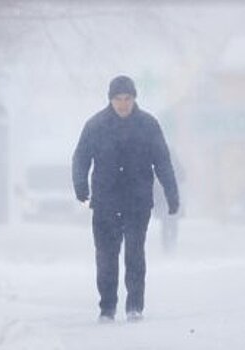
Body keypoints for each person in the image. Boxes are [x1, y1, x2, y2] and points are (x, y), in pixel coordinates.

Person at [72, 75, 179, 323]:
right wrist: (81, 188)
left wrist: (172, 193)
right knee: (106, 256)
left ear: (134, 99)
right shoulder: (95, 126)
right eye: (118, 99)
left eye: (127, 98)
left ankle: (134, 306)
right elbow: (80, 158)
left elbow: (163, 162)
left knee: (134, 253)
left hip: (137, 202)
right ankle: (107, 307)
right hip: (105, 202)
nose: (122, 104)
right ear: (110, 100)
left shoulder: (148, 126)